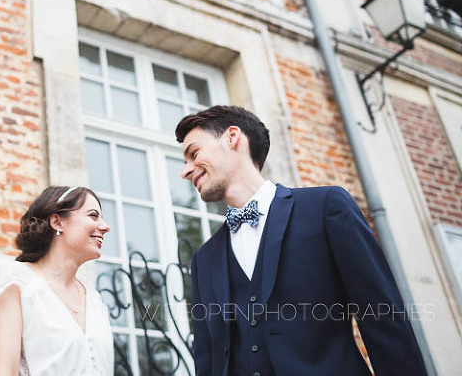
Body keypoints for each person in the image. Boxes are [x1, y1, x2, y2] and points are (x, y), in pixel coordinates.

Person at [177, 105, 428, 376]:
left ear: (232, 137)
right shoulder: (204, 259)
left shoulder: (325, 207)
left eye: (194, 153)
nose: (185, 171)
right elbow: (207, 361)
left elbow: (383, 318)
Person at [0, 186, 114, 376]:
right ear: (57, 221)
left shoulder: (94, 299)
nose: (105, 227)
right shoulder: (17, 281)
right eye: (93, 215)